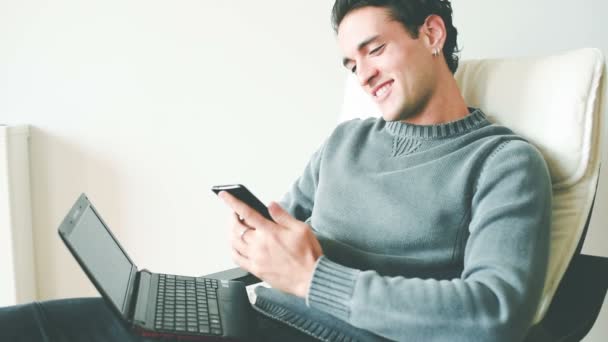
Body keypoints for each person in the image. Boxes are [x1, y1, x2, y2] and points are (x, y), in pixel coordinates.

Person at [0, 0, 552, 341]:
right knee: (28, 326)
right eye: (350, 62)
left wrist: (314, 280)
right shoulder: (347, 140)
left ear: (431, 35)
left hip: (321, 334)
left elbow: (493, 314)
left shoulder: (503, 163)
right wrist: (254, 241)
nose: (362, 74)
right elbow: (286, 228)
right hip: (256, 311)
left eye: (374, 49)